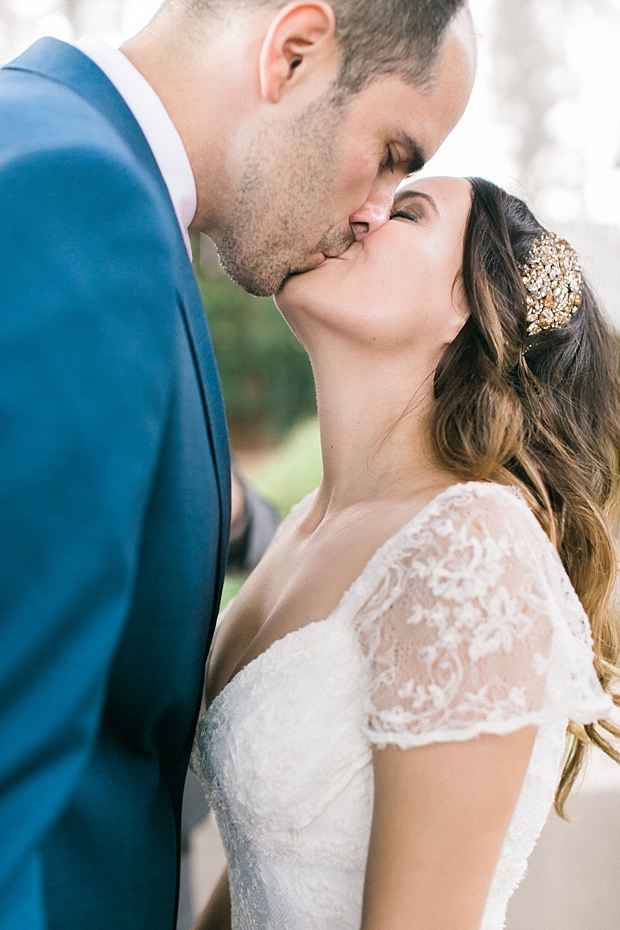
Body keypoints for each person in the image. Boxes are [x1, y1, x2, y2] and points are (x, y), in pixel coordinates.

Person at [0, 1, 476, 928]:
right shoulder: (78, 201)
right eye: (392, 153)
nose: (372, 211)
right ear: (294, 53)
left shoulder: (71, 168)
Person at [191, 176, 620, 930]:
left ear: (470, 305)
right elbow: (273, 859)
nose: (362, 208)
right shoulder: (304, 530)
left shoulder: (472, 548)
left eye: (408, 210)